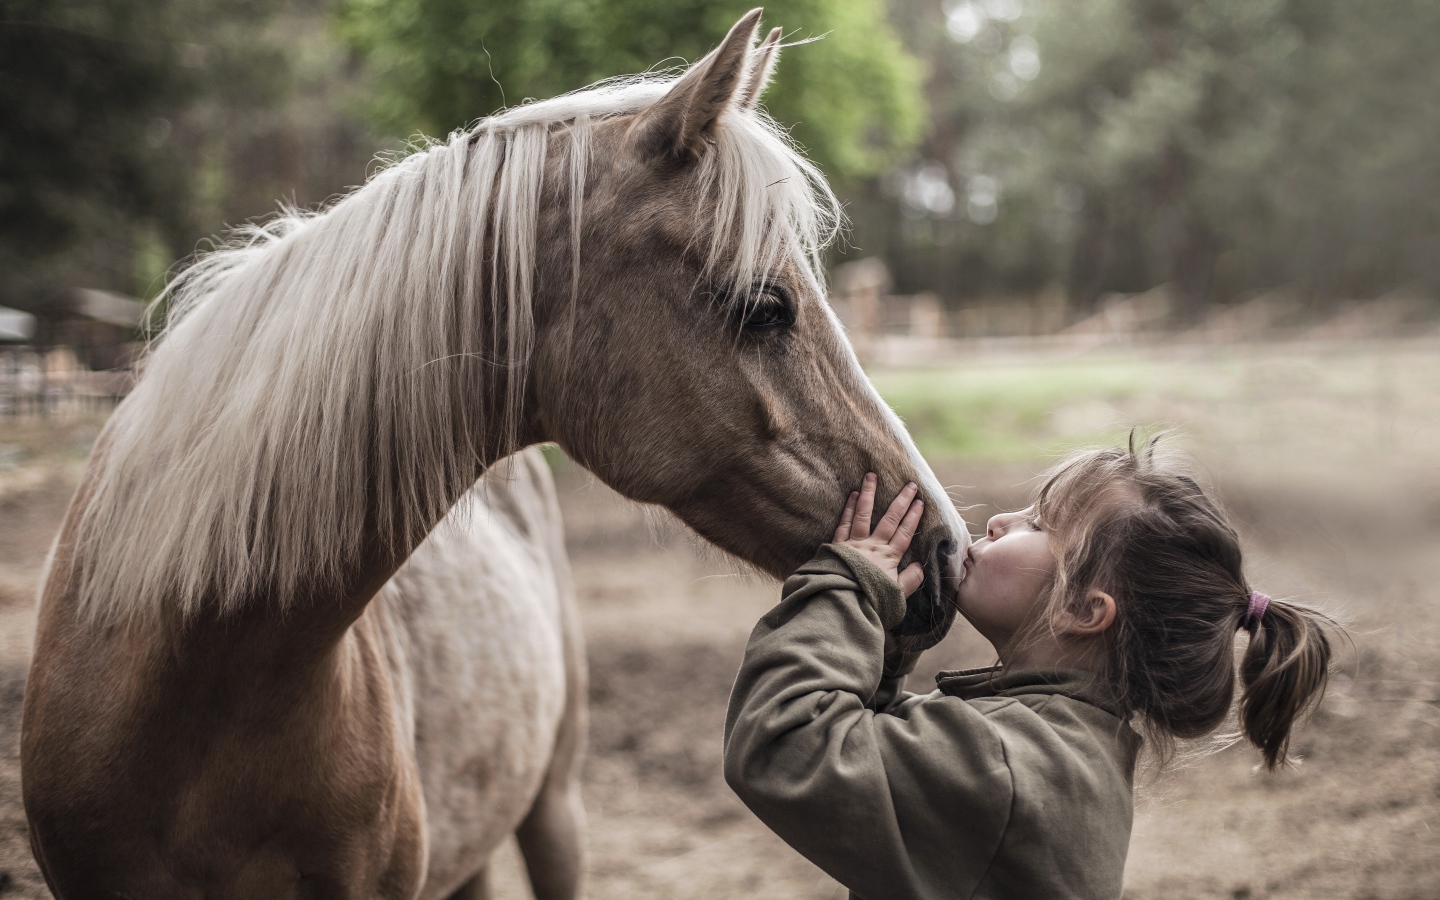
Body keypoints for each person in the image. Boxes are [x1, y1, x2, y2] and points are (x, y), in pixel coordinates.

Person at [724, 441, 1338, 900]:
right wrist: (888, 633)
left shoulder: (1009, 766)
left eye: (1040, 524)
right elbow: (883, 754)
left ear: (1082, 610)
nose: (1000, 521)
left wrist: (844, 591)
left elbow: (786, 743)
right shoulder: (1056, 749)